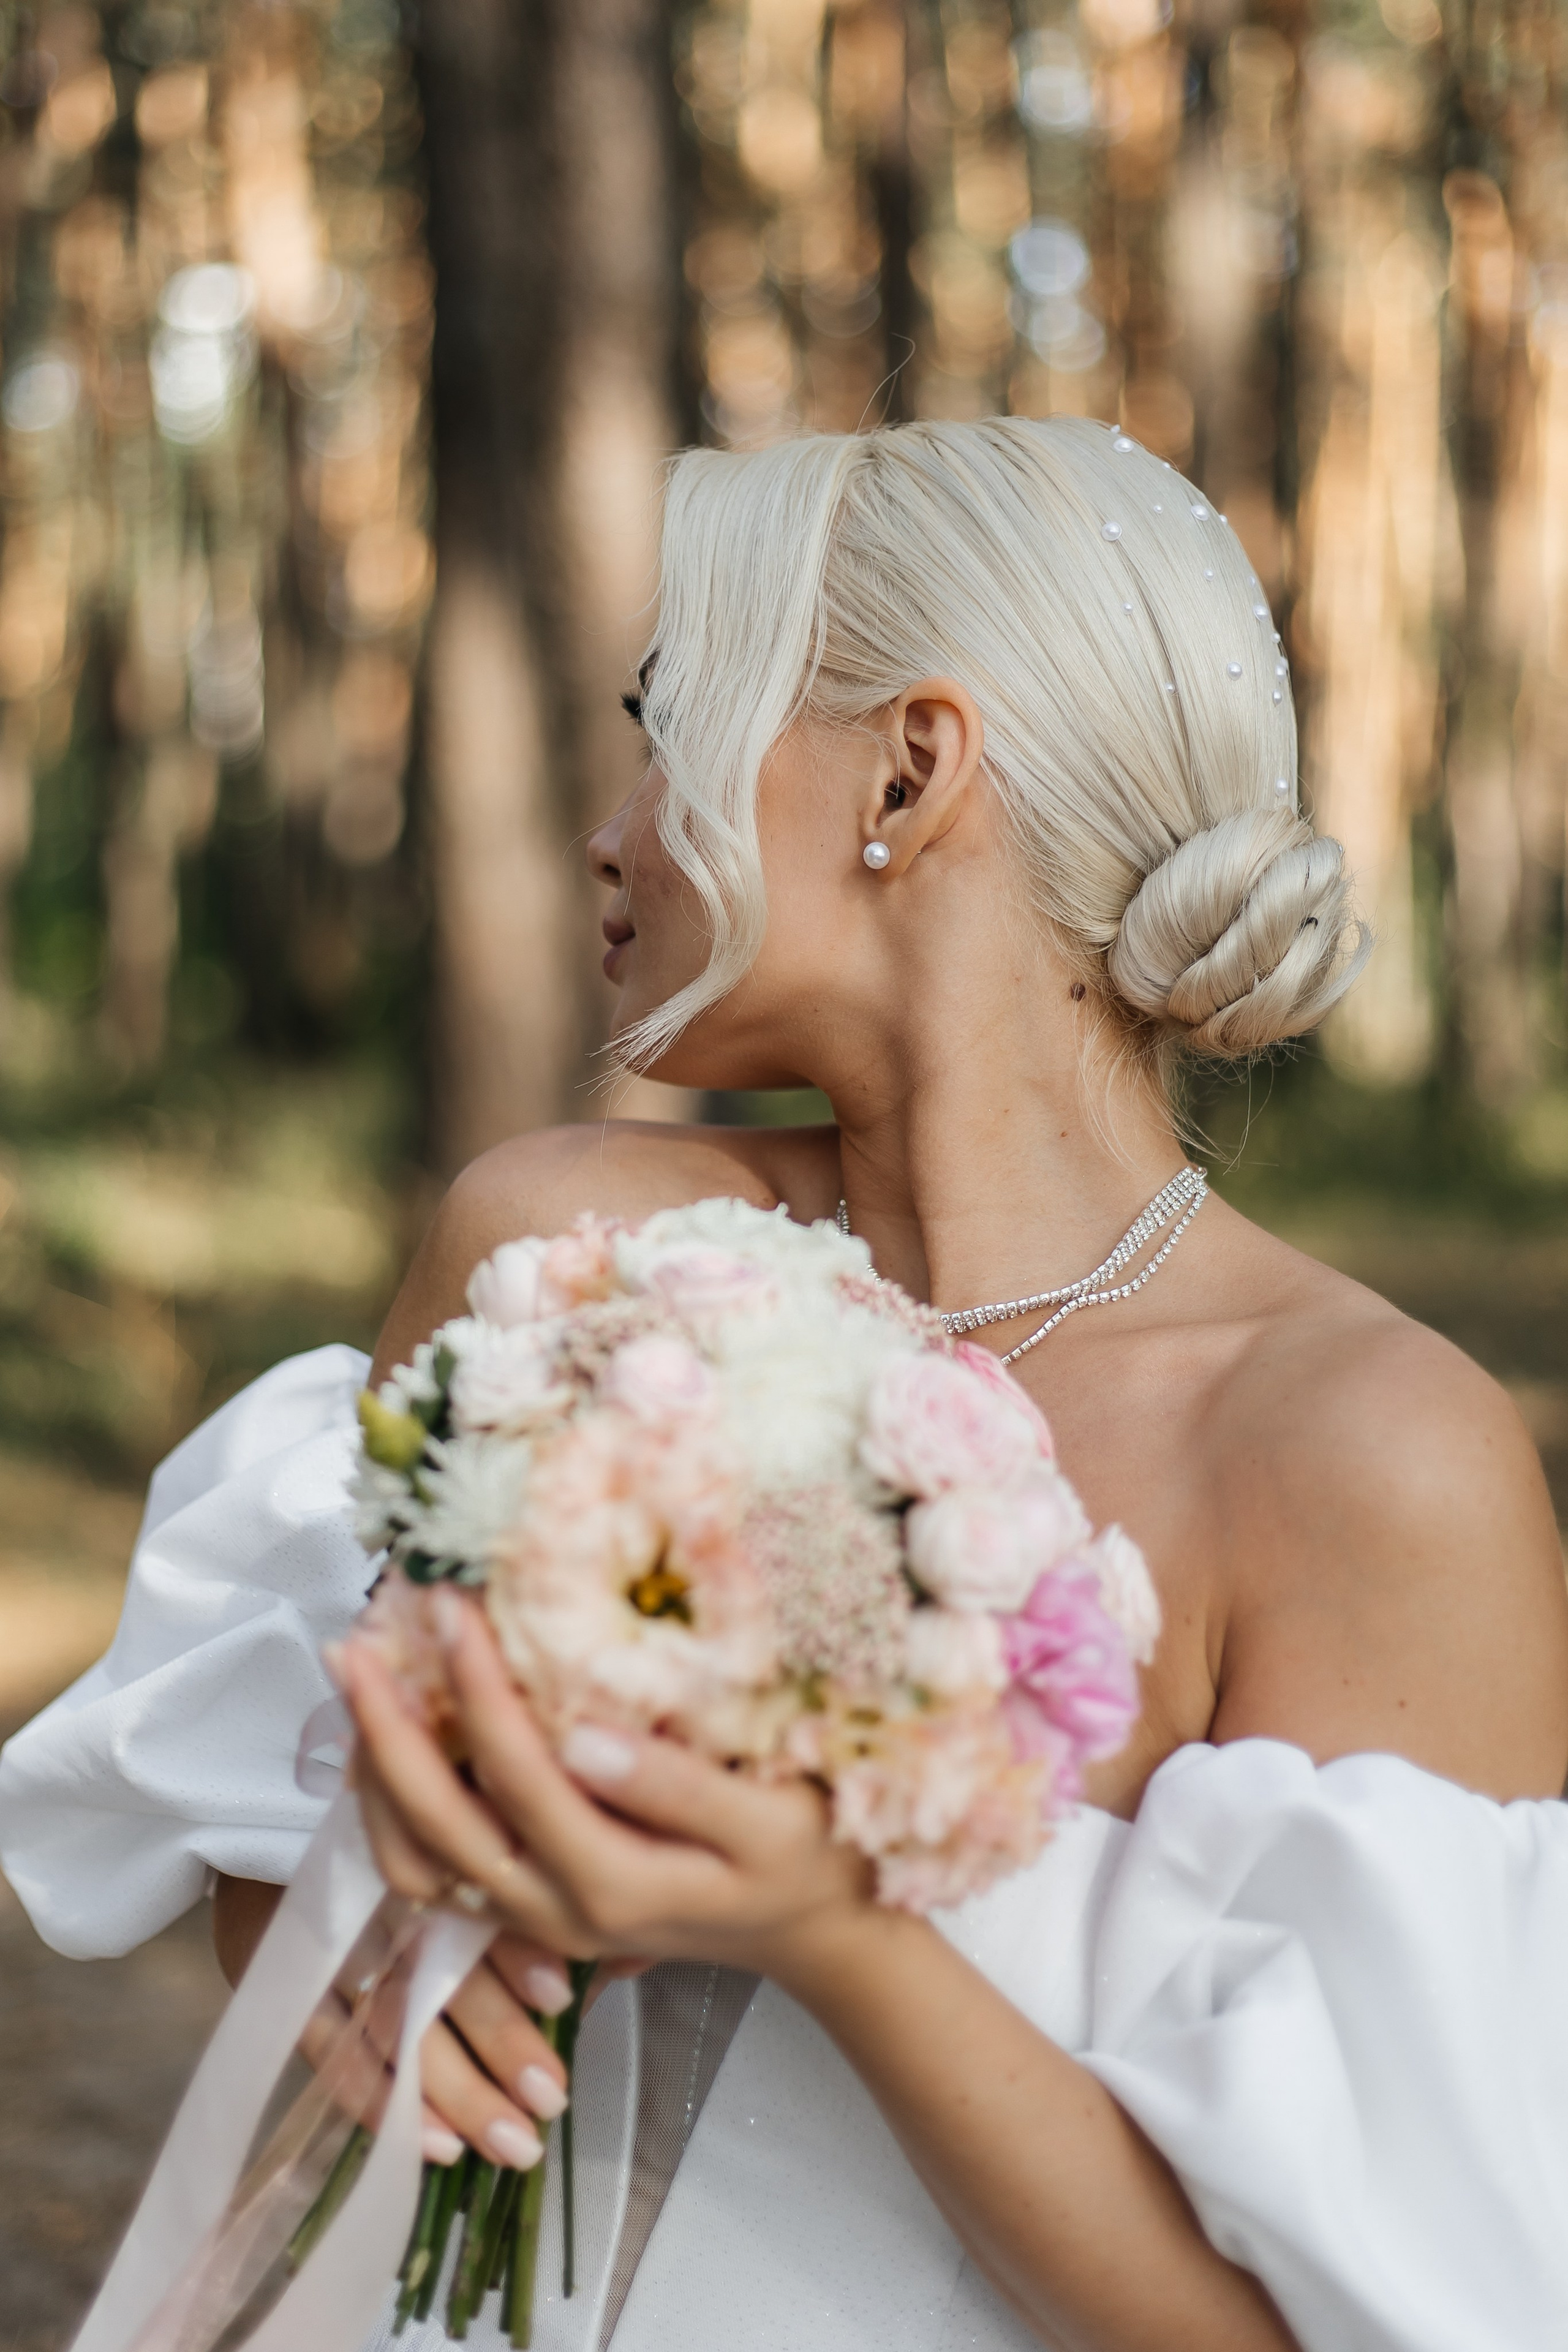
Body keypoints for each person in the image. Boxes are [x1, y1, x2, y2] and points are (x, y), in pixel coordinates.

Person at [4, 416, 1567, 2352]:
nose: (612, 821)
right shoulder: (549, 1249)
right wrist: (371, 1936)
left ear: (910, 770)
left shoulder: (1362, 1459)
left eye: (673, 721)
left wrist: (832, 1929)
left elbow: (1340, 2320)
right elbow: (279, 1854)